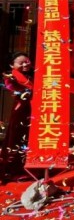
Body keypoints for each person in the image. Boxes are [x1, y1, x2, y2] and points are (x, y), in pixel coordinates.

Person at [1, 52, 33, 183]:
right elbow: (16, 90)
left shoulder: (34, 74)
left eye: (27, 61)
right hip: (21, 113)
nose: (25, 64)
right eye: (21, 63)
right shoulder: (10, 77)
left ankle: (31, 168)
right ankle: (14, 171)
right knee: (17, 140)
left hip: (34, 113)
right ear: (12, 65)